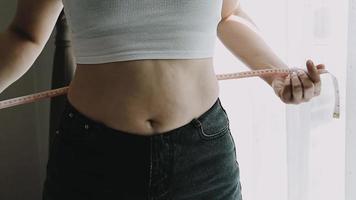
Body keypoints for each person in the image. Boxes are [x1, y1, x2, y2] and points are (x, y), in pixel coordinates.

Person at [0, 0, 325, 199]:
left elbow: (228, 15)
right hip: (90, 159)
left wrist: (278, 75)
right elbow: (25, 34)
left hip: (202, 160)